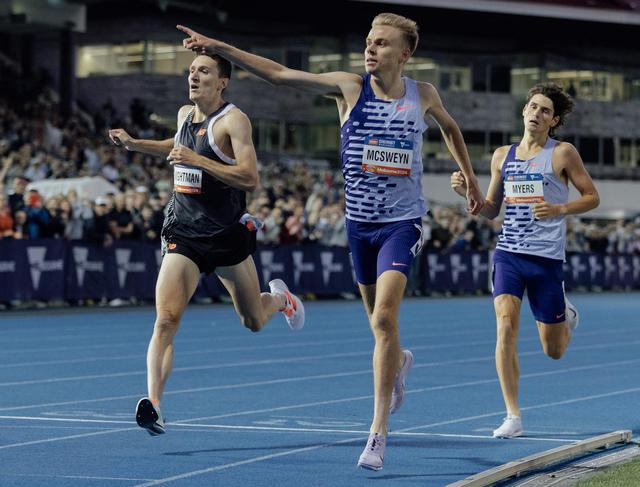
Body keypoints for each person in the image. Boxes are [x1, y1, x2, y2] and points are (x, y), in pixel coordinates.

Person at [176, 12, 485, 470]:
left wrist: (472, 182)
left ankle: (378, 432)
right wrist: (219, 47)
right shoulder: (349, 88)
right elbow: (279, 74)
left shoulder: (424, 95)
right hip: (359, 227)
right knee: (378, 328)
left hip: (404, 223)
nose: (371, 49)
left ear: (405, 53)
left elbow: (451, 128)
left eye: (381, 43)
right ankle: (398, 360)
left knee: (384, 317)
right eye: (368, 40)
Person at [108, 51, 305, 436]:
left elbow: (249, 178)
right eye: (192, 70)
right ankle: (156, 405)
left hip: (226, 235)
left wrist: (199, 161)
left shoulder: (234, 120)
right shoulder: (184, 115)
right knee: (166, 319)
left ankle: (282, 300)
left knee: (252, 320)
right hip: (183, 232)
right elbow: (174, 146)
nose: (193, 76)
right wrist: (134, 143)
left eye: (204, 71)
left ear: (222, 82)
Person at [451, 82, 600, 439]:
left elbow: (592, 197)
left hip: (546, 259)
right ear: (524, 111)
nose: (536, 113)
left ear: (554, 120)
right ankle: (513, 415)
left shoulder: (562, 154)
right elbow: (489, 210)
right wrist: (466, 194)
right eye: (533, 107)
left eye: (545, 110)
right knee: (505, 326)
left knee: (554, 351)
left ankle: (568, 315)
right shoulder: (503, 155)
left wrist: (560, 208)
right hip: (509, 254)